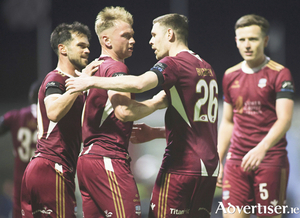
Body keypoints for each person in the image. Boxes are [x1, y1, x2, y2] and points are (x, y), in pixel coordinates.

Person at [66, 13, 219, 218]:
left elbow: (138, 86)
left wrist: (90, 82)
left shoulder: (172, 64)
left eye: (154, 35)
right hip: (209, 167)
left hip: (181, 165)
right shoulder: (207, 68)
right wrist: (156, 132)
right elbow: (197, 126)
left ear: (170, 34)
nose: (149, 41)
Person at [73, 6, 167, 218]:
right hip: (108, 158)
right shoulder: (116, 68)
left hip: (87, 160)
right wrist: (156, 103)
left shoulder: (94, 69)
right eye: (125, 36)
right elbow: (123, 111)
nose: (132, 40)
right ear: (106, 40)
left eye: (132, 35)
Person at [216, 14, 294, 218]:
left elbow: (285, 119)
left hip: (269, 159)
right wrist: (218, 157)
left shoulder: (280, 73)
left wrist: (261, 149)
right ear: (236, 41)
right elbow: (227, 121)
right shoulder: (229, 75)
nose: (247, 45)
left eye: (253, 39)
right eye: (242, 40)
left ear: (265, 40)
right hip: (236, 161)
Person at [20, 21, 96, 218]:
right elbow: (53, 110)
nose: (87, 50)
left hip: (45, 168)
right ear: (62, 49)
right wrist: (79, 86)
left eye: (88, 46)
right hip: (52, 169)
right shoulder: (57, 78)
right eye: (81, 45)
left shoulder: (73, 84)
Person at [0, 80, 40, 218]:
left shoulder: (16, 116)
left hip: (21, 180)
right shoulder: (51, 117)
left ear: (30, 96)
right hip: (44, 177)